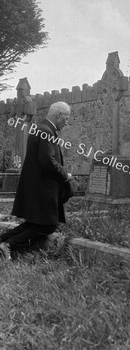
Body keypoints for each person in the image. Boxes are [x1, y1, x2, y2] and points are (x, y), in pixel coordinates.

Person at [0, 101, 73, 260]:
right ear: (58, 115)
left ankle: (2, 240)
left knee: (36, 223)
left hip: (37, 186)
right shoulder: (46, 131)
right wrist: (65, 175)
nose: (67, 123)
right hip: (43, 188)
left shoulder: (41, 129)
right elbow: (47, 161)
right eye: (66, 118)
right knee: (48, 225)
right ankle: (9, 245)